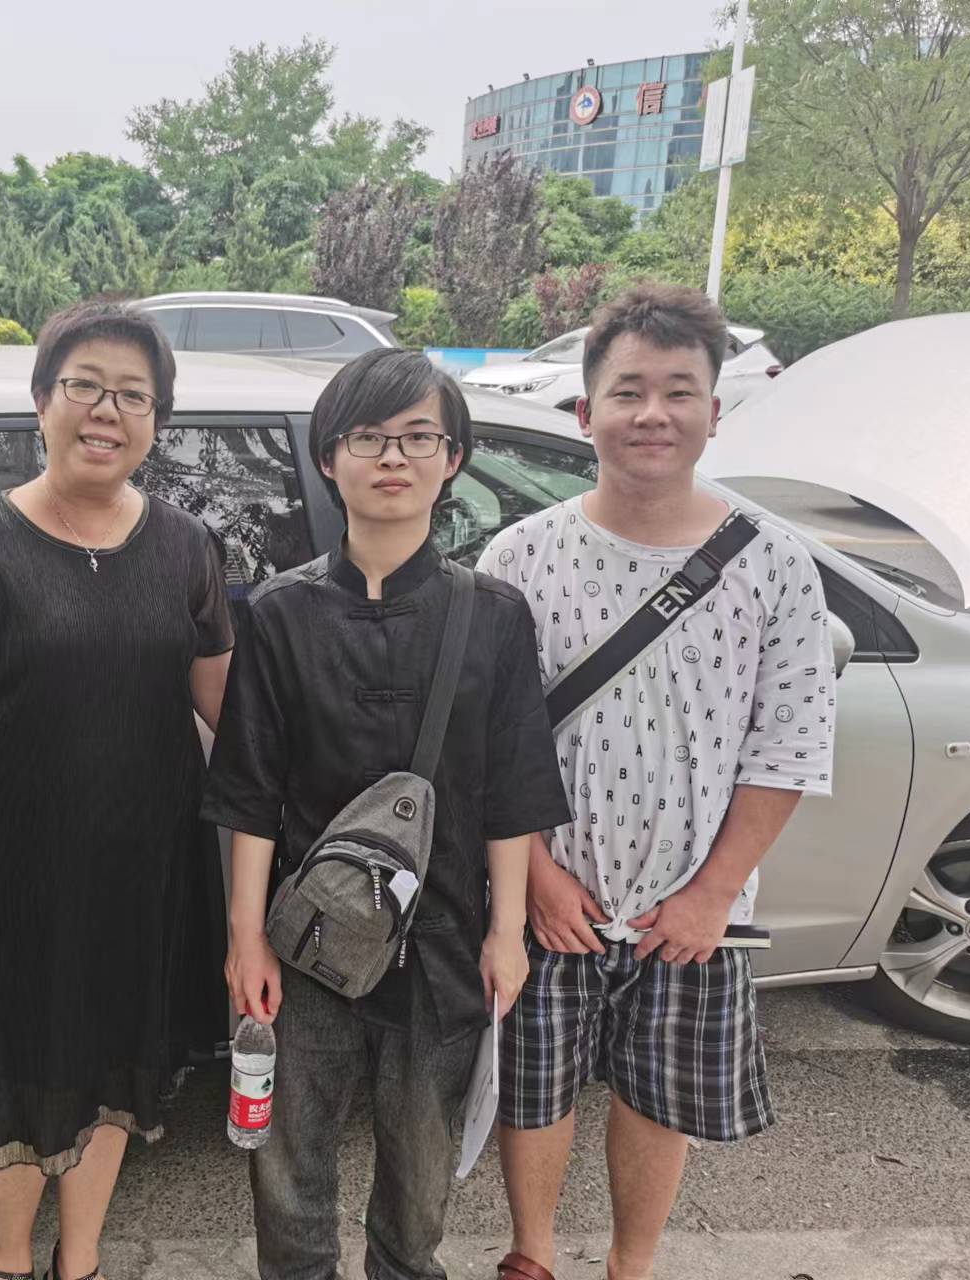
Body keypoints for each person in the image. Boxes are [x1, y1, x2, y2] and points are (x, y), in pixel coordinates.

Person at [477, 284, 837, 1280]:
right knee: (533, 1088)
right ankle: (532, 1255)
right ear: (583, 411)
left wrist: (712, 892)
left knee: (657, 1096)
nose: (652, 413)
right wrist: (537, 877)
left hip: (693, 903)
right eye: (627, 391)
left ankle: (631, 1265)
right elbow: (487, 739)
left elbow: (786, 745)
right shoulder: (521, 556)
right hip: (549, 893)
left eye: (678, 392)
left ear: (713, 412)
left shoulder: (773, 563)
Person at [204, 348, 571, 1280]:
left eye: (418, 437)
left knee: (420, 1186)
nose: (394, 457)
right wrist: (246, 939)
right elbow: (249, 791)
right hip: (306, 942)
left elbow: (512, 792)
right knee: (288, 1173)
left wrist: (507, 934)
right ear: (331, 458)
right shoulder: (280, 613)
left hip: (444, 943)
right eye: (368, 437)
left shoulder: (494, 615)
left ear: (454, 459)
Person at [0, 301, 233, 1280]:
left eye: (133, 396)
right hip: (14, 877)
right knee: (22, 1072)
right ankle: (10, 1261)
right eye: (85, 387)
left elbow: (226, 709)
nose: (107, 411)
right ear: (42, 400)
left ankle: (84, 1258)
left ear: (156, 421)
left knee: (116, 1064)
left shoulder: (185, 547)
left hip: (145, 870)